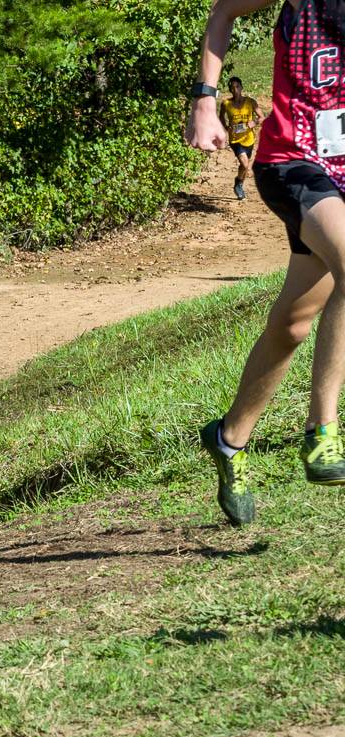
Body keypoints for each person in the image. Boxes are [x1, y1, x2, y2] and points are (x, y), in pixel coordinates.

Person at [186, 0, 345, 527]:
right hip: (294, 159)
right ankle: (322, 433)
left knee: (294, 325)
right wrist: (205, 103)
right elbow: (224, 11)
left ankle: (229, 439)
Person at [218, 75, 263, 200]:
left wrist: (254, 122)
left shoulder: (250, 102)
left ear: (241, 87)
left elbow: (261, 117)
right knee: (244, 163)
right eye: (232, 87)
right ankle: (238, 184)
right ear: (230, 90)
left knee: (245, 165)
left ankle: (239, 184)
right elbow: (221, 116)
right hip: (235, 139)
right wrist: (226, 127)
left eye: (237, 86)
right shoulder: (226, 103)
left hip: (249, 138)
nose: (235, 89)